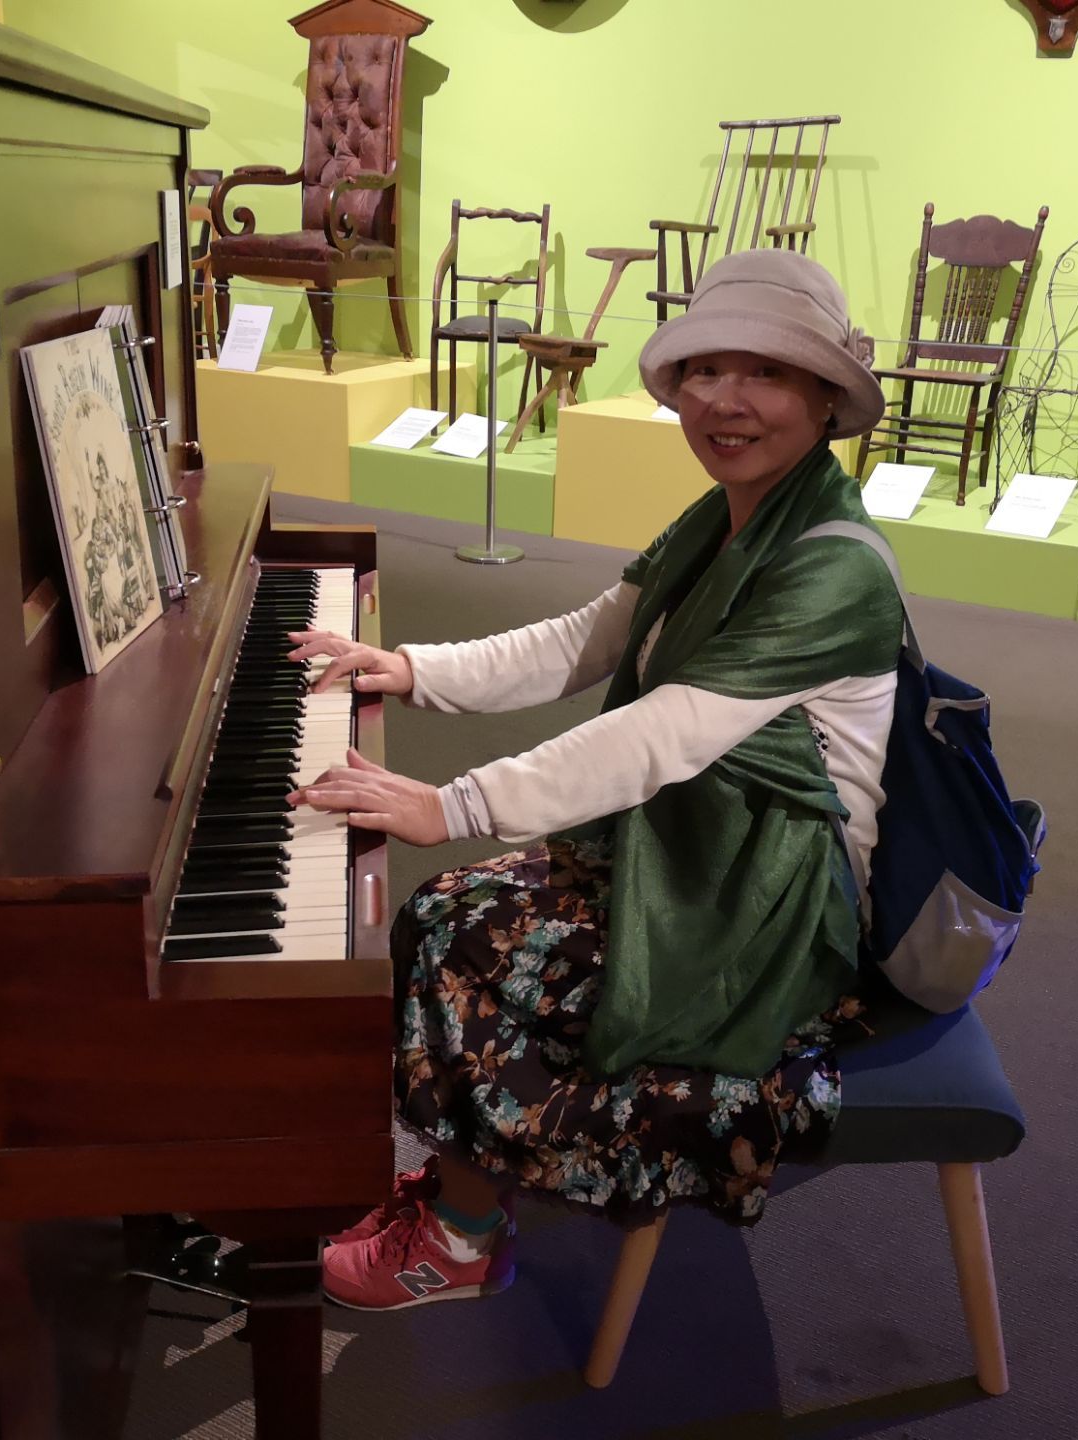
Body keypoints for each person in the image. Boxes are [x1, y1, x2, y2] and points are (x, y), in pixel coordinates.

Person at [286, 249, 904, 1311]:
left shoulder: (832, 562)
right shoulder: (730, 514)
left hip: (774, 896)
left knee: (460, 933)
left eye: (764, 372)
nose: (723, 399)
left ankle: (464, 1235)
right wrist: (415, 668)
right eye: (704, 369)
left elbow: (662, 735)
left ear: (824, 396)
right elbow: (591, 637)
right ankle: (468, 1179)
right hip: (703, 840)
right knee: (445, 913)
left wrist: (453, 804)